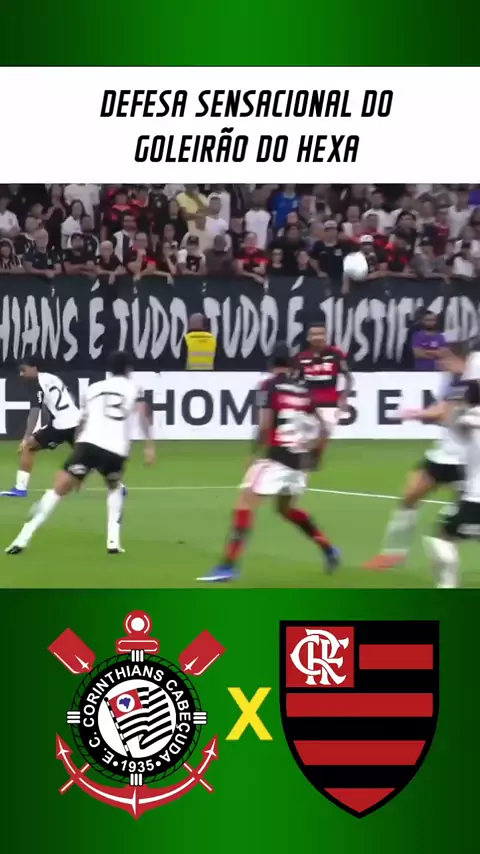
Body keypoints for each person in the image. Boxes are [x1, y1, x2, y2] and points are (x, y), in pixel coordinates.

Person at [198, 344, 340, 582]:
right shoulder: (303, 390)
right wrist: (316, 456)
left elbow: (265, 424)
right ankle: (328, 549)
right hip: (299, 461)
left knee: (244, 505)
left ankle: (227, 566)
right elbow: (324, 429)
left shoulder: (268, 386)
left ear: (271, 363)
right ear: (291, 363)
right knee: (285, 509)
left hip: (276, 457)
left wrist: (255, 453)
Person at [5, 351, 154, 556]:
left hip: (82, 437)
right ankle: (113, 541)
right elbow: (143, 414)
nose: (21, 374)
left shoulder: (94, 388)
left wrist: (77, 446)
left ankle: (23, 535)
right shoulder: (133, 388)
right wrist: (149, 446)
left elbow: (76, 417)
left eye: (23, 370)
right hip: (113, 447)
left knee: (56, 485)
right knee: (112, 485)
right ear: (129, 370)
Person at [363, 341, 468, 570]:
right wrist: (422, 414)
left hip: (467, 460)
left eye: (444, 358)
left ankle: (446, 566)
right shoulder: (452, 380)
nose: (440, 363)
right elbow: (442, 410)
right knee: (410, 496)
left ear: (459, 358)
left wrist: (414, 414)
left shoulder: (468, 382)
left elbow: (444, 415)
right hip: (443, 454)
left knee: (461, 517)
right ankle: (393, 554)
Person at [424, 379, 480, 588]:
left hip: (475, 498)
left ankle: (448, 585)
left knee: (443, 537)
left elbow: (446, 419)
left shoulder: (467, 419)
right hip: (472, 495)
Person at [0, 355, 81, 498]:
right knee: (90, 455)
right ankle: (117, 486)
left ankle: (20, 488)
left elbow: (35, 411)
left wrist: (26, 436)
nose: (21, 374)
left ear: (34, 368)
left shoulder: (37, 383)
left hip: (61, 425)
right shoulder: (52, 378)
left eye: (23, 370)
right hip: (76, 422)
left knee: (28, 447)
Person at [295, 322, 353, 453]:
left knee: (322, 438)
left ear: (326, 336)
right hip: (309, 406)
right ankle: (306, 458)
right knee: (304, 441)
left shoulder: (335, 354)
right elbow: (295, 381)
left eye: (321, 334)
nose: (317, 337)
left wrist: (343, 397)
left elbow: (349, 378)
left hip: (330, 405)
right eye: (314, 334)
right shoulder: (301, 357)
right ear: (308, 337)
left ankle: (313, 458)